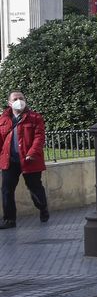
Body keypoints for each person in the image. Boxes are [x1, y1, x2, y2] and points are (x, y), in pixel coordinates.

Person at [0, 90, 48, 227]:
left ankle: (43, 208)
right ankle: (9, 220)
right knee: (7, 190)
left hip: (29, 160)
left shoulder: (35, 117)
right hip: (10, 161)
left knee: (35, 188)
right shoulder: (3, 120)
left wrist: (32, 152)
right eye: (15, 99)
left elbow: (39, 137)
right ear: (9, 103)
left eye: (21, 98)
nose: (18, 101)